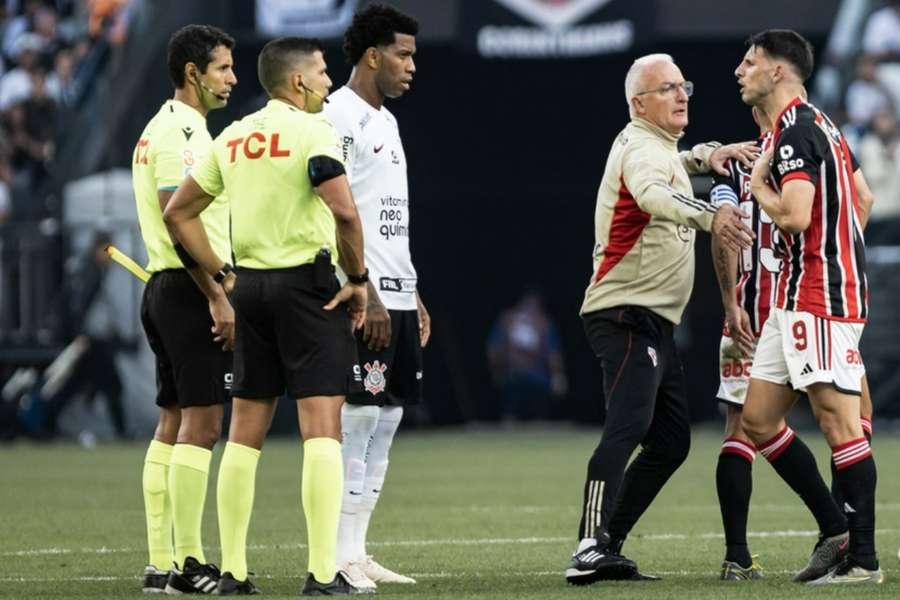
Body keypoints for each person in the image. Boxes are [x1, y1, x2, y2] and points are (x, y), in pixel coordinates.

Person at [165, 37, 368, 596]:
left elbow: (178, 212)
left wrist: (223, 275)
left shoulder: (231, 135)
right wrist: (358, 281)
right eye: (324, 73)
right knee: (322, 428)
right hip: (307, 289)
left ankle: (232, 573)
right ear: (299, 82)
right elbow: (346, 214)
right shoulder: (313, 131)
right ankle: (324, 576)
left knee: (244, 432)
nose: (330, 82)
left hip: (249, 289)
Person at [565, 52, 756, 585]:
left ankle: (609, 544)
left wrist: (709, 154)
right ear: (637, 103)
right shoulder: (640, 150)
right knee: (627, 426)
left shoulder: (658, 146)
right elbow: (652, 191)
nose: (682, 95)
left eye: (684, 85)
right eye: (668, 88)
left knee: (671, 440)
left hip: (653, 320)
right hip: (625, 313)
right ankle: (587, 545)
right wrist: (709, 215)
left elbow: (675, 162)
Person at [736, 29, 882, 585]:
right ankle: (836, 528)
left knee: (838, 424)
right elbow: (862, 201)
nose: (739, 71)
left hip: (816, 296)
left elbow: (795, 216)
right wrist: (842, 253)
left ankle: (862, 559)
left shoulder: (795, 130)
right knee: (758, 420)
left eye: (749, 62)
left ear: (777, 71)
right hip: (801, 295)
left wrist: (757, 186)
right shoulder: (821, 124)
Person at [322, 4, 427, 591]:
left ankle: (359, 551)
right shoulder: (339, 116)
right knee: (356, 419)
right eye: (403, 54)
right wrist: (367, 291)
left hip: (400, 289)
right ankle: (337, 554)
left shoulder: (386, 121)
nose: (411, 66)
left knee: (385, 421)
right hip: (365, 295)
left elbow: (389, 218)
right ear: (371, 55)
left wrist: (414, 290)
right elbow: (334, 211)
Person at [131, 24, 237, 594]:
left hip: (163, 288)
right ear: (194, 73)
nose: (232, 79)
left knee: (171, 421)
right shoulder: (184, 132)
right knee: (203, 423)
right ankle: (191, 564)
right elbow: (179, 217)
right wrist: (218, 289)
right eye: (223, 68)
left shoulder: (158, 128)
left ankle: (160, 560)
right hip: (188, 289)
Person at [486, 290, 567, 421]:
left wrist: (496, 371)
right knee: (523, 398)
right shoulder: (542, 322)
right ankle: (519, 419)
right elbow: (554, 355)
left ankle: (516, 418)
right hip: (524, 376)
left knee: (524, 400)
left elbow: (493, 349)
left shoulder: (508, 318)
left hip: (526, 377)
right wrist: (558, 377)